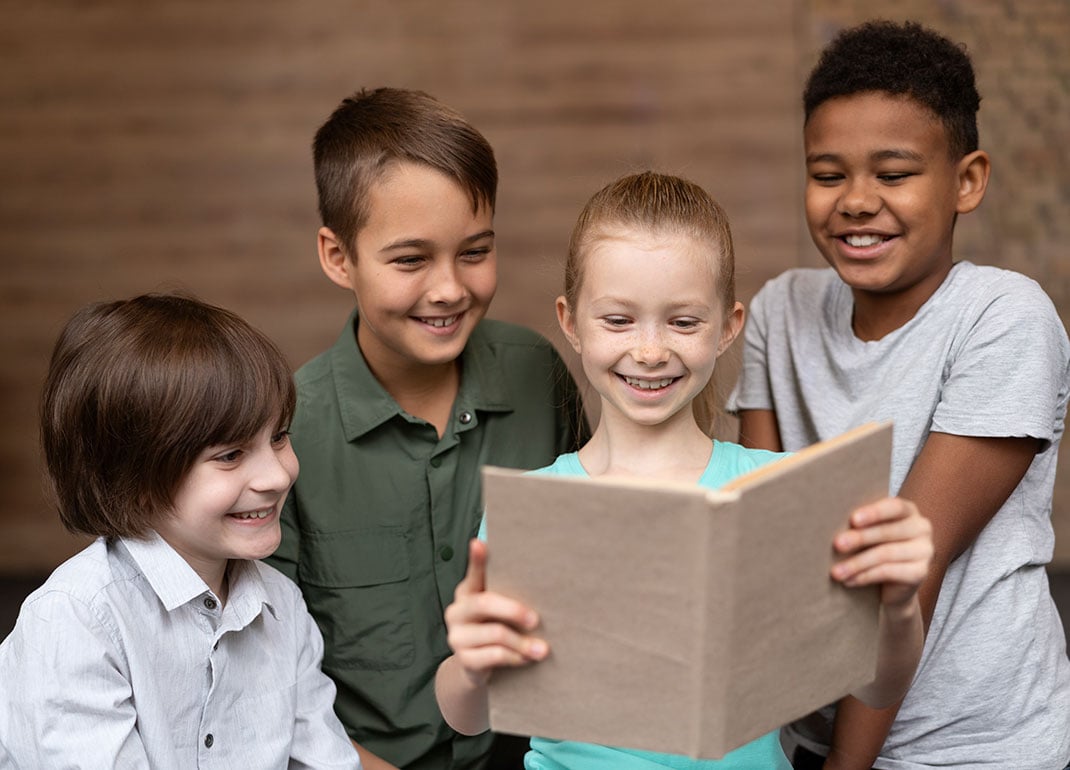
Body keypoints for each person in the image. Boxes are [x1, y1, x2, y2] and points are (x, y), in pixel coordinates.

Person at [434, 171, 934, 769]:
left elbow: (875, 688)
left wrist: (899, 606)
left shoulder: (777, 491)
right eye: (618, 320)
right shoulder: (537, 505)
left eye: (683, 322)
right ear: (570, 322)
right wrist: (469, 663)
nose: (649, 351)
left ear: (727, 327)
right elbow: (466, 714)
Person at [731, 19, 1070, 770]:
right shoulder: (780, 312)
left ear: (967, 181)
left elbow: (910, 567)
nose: (856, 201)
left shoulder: (1005, 318)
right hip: (811, 732)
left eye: (893, 174)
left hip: (978, 746)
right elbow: (759, 537)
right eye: (827, 175)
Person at [263, 87, 588, 770]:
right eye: (410, 260)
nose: (448, 289)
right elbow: (270, 688)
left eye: (474, 252)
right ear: (337, 256)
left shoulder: (537, 377)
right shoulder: (285, 433)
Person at [0, 293, 362, 769]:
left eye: (278, 436)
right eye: (230, 455)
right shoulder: (75, 619)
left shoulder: (283, 606)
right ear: (136, 480)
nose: (277, 475)